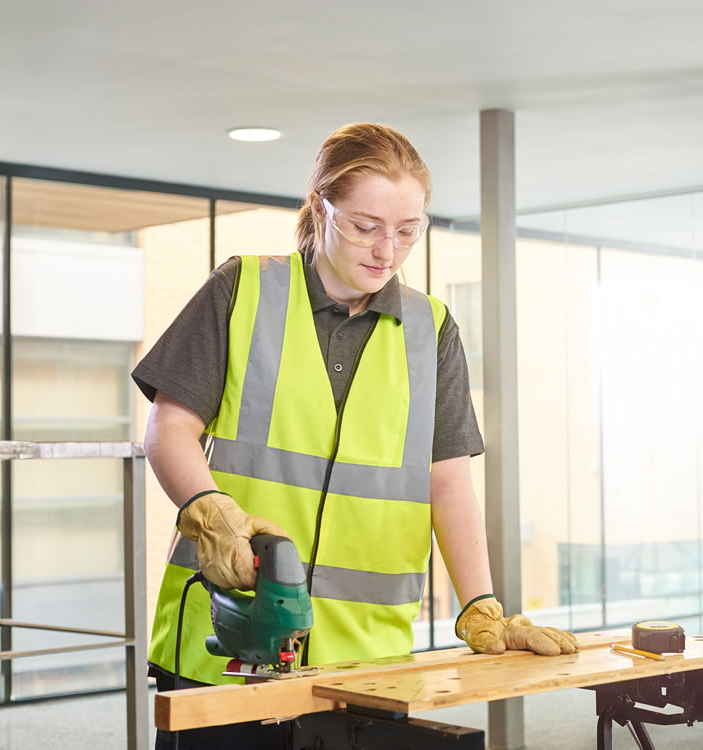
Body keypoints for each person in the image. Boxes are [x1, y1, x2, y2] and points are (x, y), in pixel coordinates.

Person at [134, 122, 577, 749]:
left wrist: (481, 603)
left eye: (407, 230)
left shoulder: (432, 329)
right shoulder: (244, 290)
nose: (386, 249)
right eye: (366, 226)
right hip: (230, 635)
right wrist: (208, 512)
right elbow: (168, 429)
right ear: (320, 209)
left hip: (366, 661)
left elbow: (447, 481)